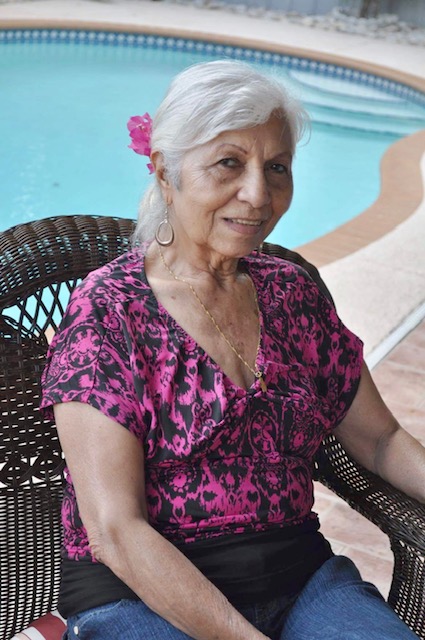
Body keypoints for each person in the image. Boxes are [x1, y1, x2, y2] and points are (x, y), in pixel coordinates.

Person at [40, 60, 425, 640]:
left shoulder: (291, 293)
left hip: (298, 579)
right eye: (228, 163)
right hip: (140, 596)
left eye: (277, 167)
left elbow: (381, 438)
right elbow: (116, 530)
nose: (258, 194)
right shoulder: (110, 310)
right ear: (165, 171)